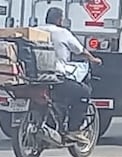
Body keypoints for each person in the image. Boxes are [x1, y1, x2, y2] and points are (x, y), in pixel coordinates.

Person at [41, 6, 101, 139]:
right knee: (84, 92)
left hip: (34, 77)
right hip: (55, 77)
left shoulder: (35, 30)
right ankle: (73, 130)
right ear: (59, 20)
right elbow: (81, 50)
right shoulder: (62, 32)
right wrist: (93, 59)